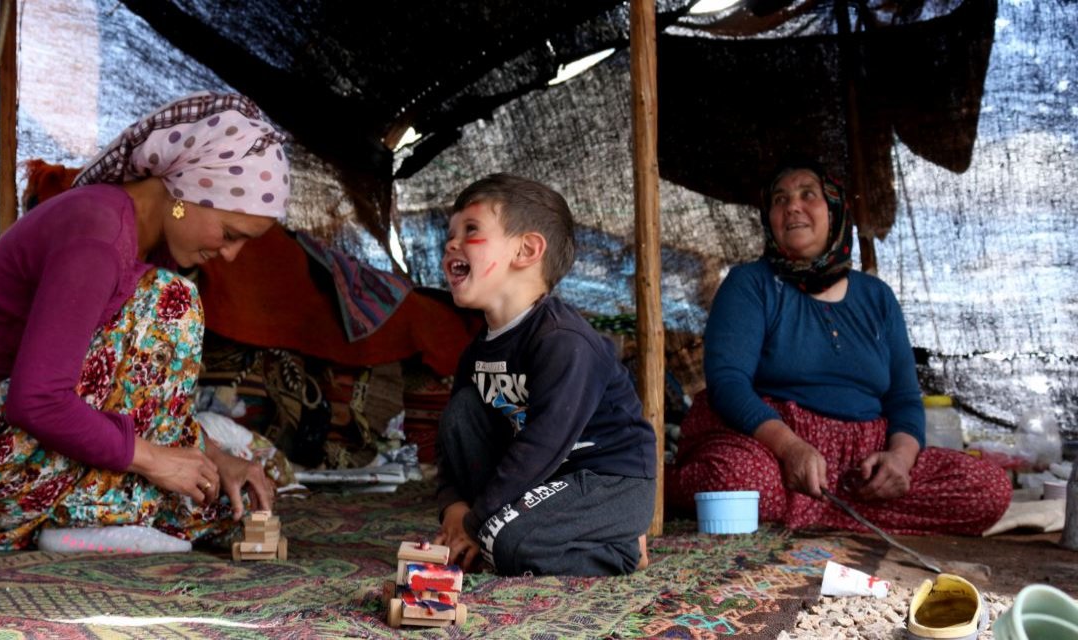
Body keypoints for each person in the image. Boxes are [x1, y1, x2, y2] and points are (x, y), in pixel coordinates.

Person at [0, 91, 293, 551]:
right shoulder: (98, 237)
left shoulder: (138, 244)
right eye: (230, 234)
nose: (230, 255)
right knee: (174, 301)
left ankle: (93, 514)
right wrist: (155, 460)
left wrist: (214, 459)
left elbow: (140, 403)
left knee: (216, 505)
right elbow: (35, 401)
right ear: (186, 195)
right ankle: (95, 519)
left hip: (24, 462)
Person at [666, 159, 1011, 535]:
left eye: (807, 195)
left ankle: (820, 511)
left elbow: (904, 398)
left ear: (834, 211)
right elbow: (728, 383)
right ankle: (683, 489)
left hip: (862, 463)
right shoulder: (752, 284)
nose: (792, 206)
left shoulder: (877, 297)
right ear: (770, 219)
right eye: (780, 200)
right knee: (745, 484)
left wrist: (899, 460)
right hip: (772, 446)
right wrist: (790, 448)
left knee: (988, 488)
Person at [433, 174, 657, 577]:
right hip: (542, 483)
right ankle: (498, 528)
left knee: (507, 543)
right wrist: (455, 507)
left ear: (527, 249)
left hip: (607, 484)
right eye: (450, 233)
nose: (451, 243)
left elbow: (541, 445)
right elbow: (453, 439)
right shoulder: (477, 353)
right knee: (461, 410)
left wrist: (475, 524)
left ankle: (622, 548)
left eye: (471, 230)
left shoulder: (563, 341)